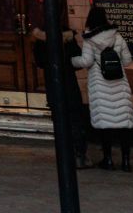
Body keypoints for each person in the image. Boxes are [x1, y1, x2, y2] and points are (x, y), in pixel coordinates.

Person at [70, 4, 133, 172]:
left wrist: (71, 61)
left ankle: (108, 160)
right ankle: (126, 162)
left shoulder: (90, 40)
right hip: (119, 83)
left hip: (100, 84)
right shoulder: (118, 37)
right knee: (124, 126)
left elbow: (86, 62)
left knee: (105, 124)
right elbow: (127, 61)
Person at [29, 24, 88, 169]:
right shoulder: (68, 38)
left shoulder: (41, 40)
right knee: (75, 118)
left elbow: (40, 62)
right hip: (69, 82)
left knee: (59, 120)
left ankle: (64, 154)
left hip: (52, 83)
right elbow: (77, 59)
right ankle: (79, 153)